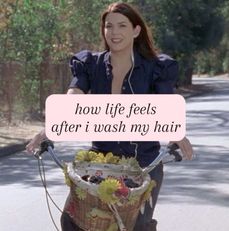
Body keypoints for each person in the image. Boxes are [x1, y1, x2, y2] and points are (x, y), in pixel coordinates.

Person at [26, 2, 193, 231]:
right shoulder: (90, 65)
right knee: (72, 220)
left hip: (142, 163)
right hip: (99, 163)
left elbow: (166, 108)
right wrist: (48, 130)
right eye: (109, 26)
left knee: (138, 224)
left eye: (122, 26)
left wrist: (178, 134)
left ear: (136, 30)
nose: (114, 33)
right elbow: (72, 100)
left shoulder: (155, 67)